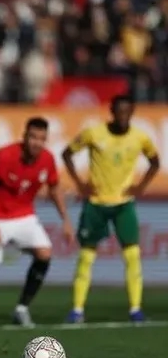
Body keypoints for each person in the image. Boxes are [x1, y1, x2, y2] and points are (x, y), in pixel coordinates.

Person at [0, 117, 74, 326]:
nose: (36, 143)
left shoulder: (47, 159)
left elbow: (54, 189)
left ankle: (22, 309)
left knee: (44, 253)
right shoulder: (4, 155)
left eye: (41, 138)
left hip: (23, 216)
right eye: (33, 137)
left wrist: (66, 220)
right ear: (25, 137)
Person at [62, 95, 160, 323]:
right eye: (119, 111)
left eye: (127, 112)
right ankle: (77, 310)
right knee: (86, 256)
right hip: (96, 203)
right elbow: (67, 154)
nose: (123, 116)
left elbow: (155, 161)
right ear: (112, 112)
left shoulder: (140, 137)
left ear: (132, 112)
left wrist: (141, 187)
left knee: (132, 255)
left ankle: (135, 309)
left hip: (123, 203)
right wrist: (80, 184)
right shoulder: (94, 133)